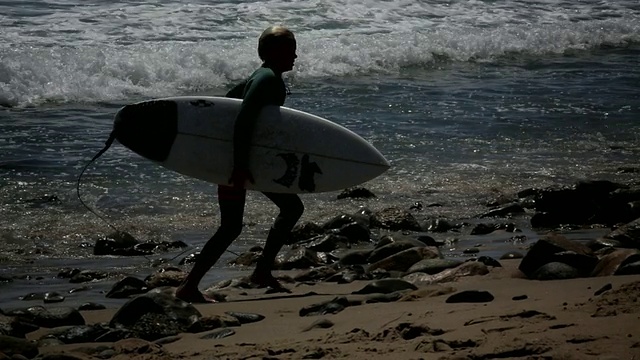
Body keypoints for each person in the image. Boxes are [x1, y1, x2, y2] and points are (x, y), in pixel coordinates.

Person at [175, 26, 303, 303]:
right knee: (280, 211)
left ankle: (260, 273)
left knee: (237, 224)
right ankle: (193, 286)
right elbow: (243, 118)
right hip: (241, 163)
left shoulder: (261, 76)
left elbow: (225, 104)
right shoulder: (268, 79)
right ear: (276, 53)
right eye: (291, 49)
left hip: (239, 160)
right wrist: (241, 165)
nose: (295, 55)